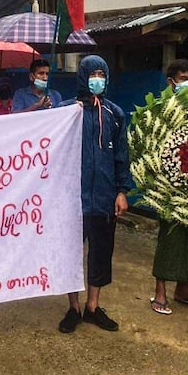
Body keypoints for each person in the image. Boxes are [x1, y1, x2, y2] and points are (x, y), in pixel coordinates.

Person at [56, 55, 131, 334]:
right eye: (92, 74)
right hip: (71, 199)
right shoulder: (66, 111)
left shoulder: (115, 114)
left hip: (103, 197)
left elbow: (122, 156)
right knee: (71, 254)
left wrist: (122, 191)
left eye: (102, 74)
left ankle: (92, 307)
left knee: (100, 253)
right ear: (82, 76)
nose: (97, 79)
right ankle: (73, 307)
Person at [149, 59, 188, 316]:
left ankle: (183, 289)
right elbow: (150, 146)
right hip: (170, 187)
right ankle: (160, 291)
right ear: (171, 82)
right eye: (184, 78)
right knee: (170, 238)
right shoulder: (161, 111)